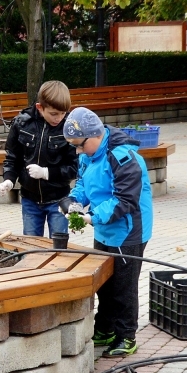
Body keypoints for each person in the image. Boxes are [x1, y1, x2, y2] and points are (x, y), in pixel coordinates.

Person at [58, 107, 153, 358]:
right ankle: (107, 328)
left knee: (123, 287)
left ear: (95, 136)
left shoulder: (124, 158)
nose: (77, 151)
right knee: (105, 283)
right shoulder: (88, 155)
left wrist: (91, 216)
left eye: (79, 145)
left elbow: (125, 201)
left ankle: (126, 336)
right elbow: (83, 185)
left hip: (127, 232)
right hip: (103, 229)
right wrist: (73, 202)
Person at [0, 80, 78, 237]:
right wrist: (8, 180)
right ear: (40, 107)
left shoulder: (69, 126)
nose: (59, 118)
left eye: (63, 113)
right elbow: (12, 158)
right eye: (54, 113)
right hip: (30, 199)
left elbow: (74, 168)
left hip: (59, 199)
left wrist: (46, 173)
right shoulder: (22, 123)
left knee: (58, 248)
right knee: (31, 248)